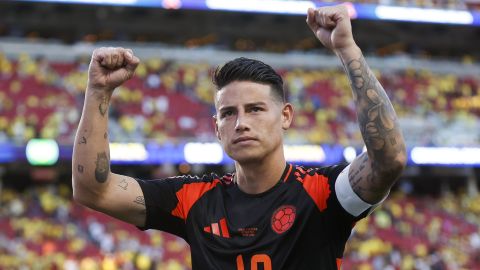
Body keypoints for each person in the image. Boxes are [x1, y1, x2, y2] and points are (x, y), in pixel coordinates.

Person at [72, 4, 407, 269]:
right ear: (217, 128)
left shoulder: (323, 193)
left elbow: (388, 159)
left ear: (285, 116)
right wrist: (99, 91)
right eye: (229, 113)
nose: (241, 122)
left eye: (256, 109)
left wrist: (347, 50)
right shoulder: (193, 200)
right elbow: (93, 191)